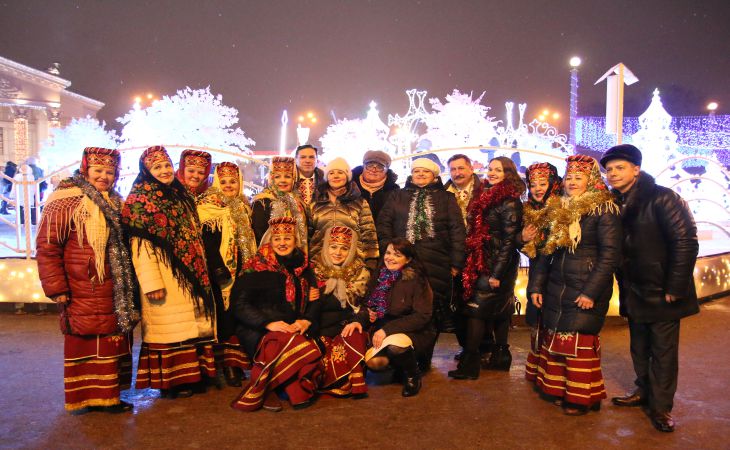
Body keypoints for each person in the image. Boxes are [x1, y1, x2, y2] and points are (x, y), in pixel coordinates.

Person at [601, 144, 699, 433]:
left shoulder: (663, 198)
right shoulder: (613, 202)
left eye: (620, 168)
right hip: (634, 289)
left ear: (636, 170)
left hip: (662, 289)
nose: (613, 174)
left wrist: (675, 286)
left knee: (663, 351)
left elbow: (686, 242)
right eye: (609, 169)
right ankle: (643, 390)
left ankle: (661, 408)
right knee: (639, 347)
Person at [36, 147, 137, 413]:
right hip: (82, 284)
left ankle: (108, 396)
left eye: (109, 172)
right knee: (86, 339)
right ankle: (88, 398)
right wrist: (56, 287)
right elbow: (48, 246)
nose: (104, 176)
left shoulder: (115, 201)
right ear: (86, 170)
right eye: (98, 171)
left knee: (109, 339)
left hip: (113, 286)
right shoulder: (66, 199)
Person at [526, 154, 621, 416]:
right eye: (569, 178)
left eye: (579, 178)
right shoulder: (560, 208)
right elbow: (547, 253)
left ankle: (582, 398)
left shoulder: (604, 210)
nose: (572, 182)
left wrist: (591, 292)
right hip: (558, 286)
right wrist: (536, 286)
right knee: (559, 340)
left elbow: (610, 256)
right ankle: (563, 390)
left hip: (584, 287)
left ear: (591, 181)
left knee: (579, 344)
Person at [122, 145, 216, 399]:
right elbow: (140, 248)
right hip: (164, 276)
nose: (164, 171)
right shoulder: (140, 201)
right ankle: (171, 382)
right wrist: (152, 283)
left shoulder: (178, 194)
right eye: (157, 167)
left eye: (166, 165)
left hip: (188, 275)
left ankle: (193, 376)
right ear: (146, 170)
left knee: (189, 329)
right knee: (170, 331)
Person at [230, 217, 322, 412]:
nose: (282, 243)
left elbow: (315, 300)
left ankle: (267, 385)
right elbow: (239, 305)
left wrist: (306, 320)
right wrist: (267, 323)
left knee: (289, 340)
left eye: (287, 238)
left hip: (293, 325)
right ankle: (289, 390)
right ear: (270, 241)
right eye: (277, 238)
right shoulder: (255, 266)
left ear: (295, 241)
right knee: (282, 342)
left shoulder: (304, 266)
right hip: (257, 327)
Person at [448, 156, 524, 379]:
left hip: (495, 264)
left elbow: (509, 241)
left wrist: (497, 273)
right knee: (500, 311)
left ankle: (470, 363)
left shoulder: (509, 200)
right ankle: (500, 357)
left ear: (508, 173)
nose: (492, 173)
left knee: (476, 312)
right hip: (487, 260)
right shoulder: (490, 196)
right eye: (490, 169)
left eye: (498, 170)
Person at [377, 157, 465, 339]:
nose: (420, 174)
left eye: (425, 171)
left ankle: (425, 353)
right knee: (402, 303)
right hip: (402, 261)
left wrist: (456, 262)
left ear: (434, 176)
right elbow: (384, 224)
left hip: (437, 263)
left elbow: (457, 231)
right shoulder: (397, 196)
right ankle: (401, 348)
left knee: (432, 307)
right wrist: (391, 251)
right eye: (417, 171)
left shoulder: (447, 198)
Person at [197, 162, 257, 388]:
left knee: (241, 316)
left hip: (243, 270)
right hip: (222, 273)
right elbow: (207, 244)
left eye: (233, 181)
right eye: (224, 182)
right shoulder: (208, 206)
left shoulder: (243, 206)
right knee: (226, 319)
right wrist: (219, 269)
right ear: (216, 183)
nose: (229, 185)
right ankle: (228, 366)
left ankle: (239, 364)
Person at [357, 238, 436, 397]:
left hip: (414, 330)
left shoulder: (416, 279)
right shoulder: (380, 276)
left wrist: (387, 330)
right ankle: (399, 366)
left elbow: (422, 316)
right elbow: (367, 304)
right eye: (388, 253)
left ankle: (413, 376)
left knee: (396, 347)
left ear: (408, 259)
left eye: (397, 255)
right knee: (374, 363)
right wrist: (366, 315)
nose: (390, 258)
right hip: (384, 330)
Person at [312, 226, 370, 398]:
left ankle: (353, 384)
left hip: (345, 327)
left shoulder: (361, 273)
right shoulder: (314, 271)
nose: (338, 252)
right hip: (320, 329)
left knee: (354, 335)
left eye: (344, 248)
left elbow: (368, 306)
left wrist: (357, 321)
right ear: (325, 247)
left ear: (351, 250)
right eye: (333, 246)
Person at [520, 162, 563, 383]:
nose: (537, 189)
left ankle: (554, 377)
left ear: (553, 184)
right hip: (539, 273)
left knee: (554, 325)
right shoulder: (529, 209)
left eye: (543, 184)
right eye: (533, 184)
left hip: (559, 276)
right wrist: (523, 240)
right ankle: (541, 372)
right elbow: (526, 247)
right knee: (539, 322)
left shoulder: (563, 209)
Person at [308, 157, 379, 268]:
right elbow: (308, 233)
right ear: (327, 177)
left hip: (353, 262)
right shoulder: (315, 203)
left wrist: (371, 260)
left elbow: (369, 232)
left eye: (340, 172)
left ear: (347, 176)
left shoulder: (359, 202)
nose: (335, 176)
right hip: (319, 262)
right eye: (331, 173)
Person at [251, 156, 308, 249]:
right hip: (269, 258)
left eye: (287, 176)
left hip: (296, 257)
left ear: (293, 179)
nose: (283, 180)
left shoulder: (299, 203)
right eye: (277, 176)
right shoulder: (262, 203)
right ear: (272, 178)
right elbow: (258, 237)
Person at [351, 150, 400, 225]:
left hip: (383, 235)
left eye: (380, 167)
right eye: (369, 165)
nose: (373, 170)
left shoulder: (394, 192)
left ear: (387, 170)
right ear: (363, 166)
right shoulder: (350, 187)